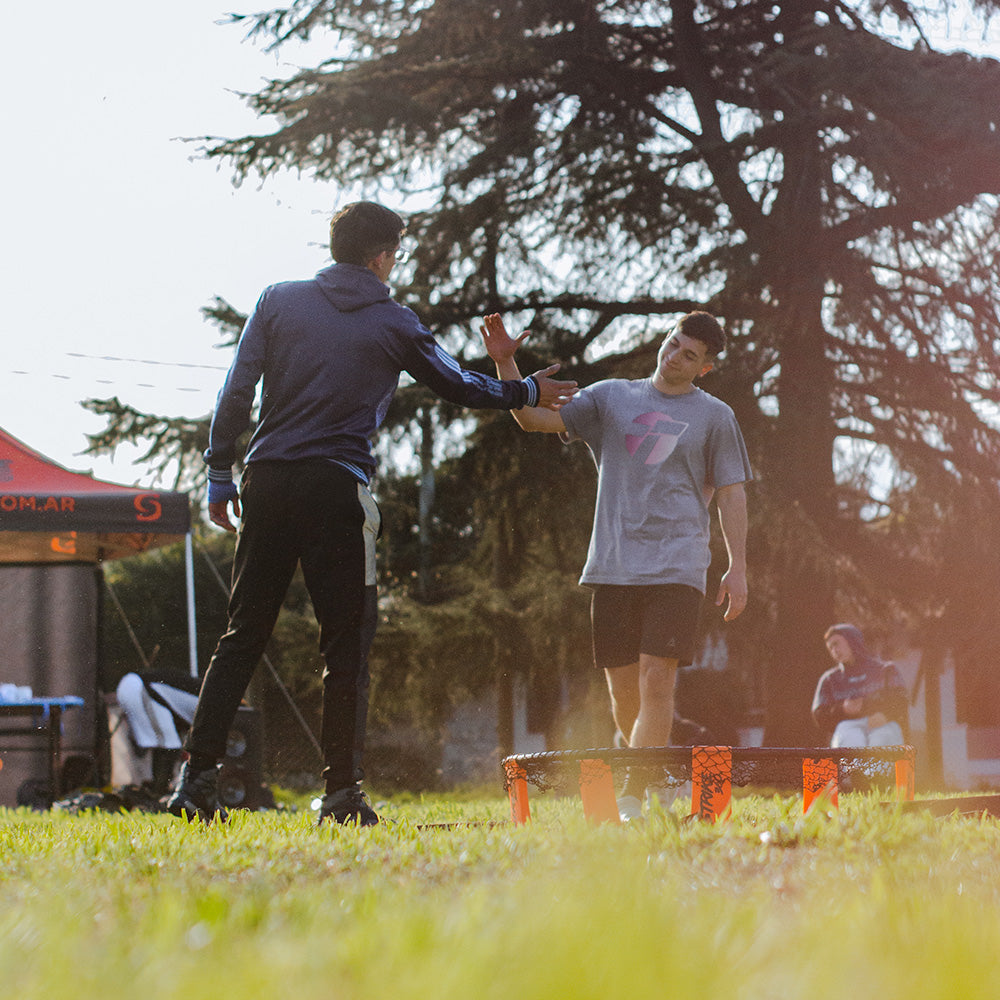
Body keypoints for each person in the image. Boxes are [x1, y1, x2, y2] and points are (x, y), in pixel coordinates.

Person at [167, 201, 577, 825]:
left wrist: (220, 476)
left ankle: (193, 786)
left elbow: (236, 390)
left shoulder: (277, 299)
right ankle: (341, 796)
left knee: (242, 635)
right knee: (347, 645)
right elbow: (456, 385)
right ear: (382, 255)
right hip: (336, 490)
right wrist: (525, 390)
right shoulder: (394, 321)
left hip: (268, 482)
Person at [481, 310, 751, 821]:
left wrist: (737, 566)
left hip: (678, 564)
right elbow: (532, 418)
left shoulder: (716, 416)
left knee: (656, 682)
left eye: (689, 356)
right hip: (613, 563)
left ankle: (630, 796)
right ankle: (659, 772)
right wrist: (507, 363)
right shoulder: (610, 398)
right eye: (673, 344)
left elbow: (732, 495)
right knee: (623, 694)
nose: (674, 358)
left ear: (705, 368)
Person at [812, 624, 908, 747]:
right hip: (848, 726)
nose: (834, 651)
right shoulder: (829, 679)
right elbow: (819, 715)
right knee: (850, 738)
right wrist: (842, 709)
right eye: (830, 648)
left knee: (882, 737)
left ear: (852, 640)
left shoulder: (886, 670)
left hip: (883, 723)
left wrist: (885, 715)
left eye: (836, 644)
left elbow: (901, 699)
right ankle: (855, 767)